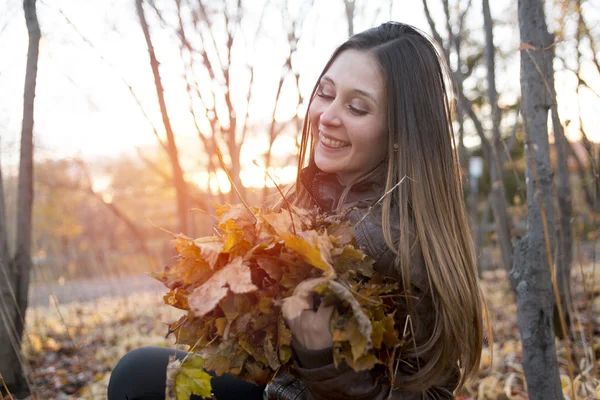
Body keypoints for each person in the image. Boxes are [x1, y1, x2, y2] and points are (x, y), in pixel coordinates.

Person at [108, 21, 485, 400]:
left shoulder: (396, 239)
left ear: (401, 132)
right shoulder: (312, 199)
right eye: (326, 93)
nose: (327, 116)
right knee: (143, 375)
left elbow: (433, 393)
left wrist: (324, 358)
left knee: (138, 376)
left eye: (357, 107)